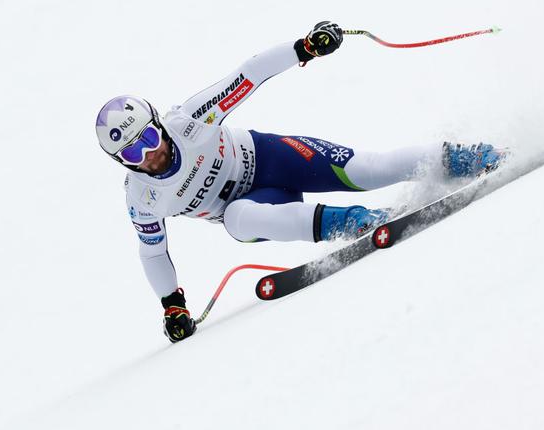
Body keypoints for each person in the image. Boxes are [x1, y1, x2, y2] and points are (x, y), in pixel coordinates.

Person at [95, 21, 505, 343]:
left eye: (149, 138)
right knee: (236, 218)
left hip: (273, 159)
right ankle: (358, 222)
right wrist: (172, 306)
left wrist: (305, 47)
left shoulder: (189, 120)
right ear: (121, 162)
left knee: (367, 170)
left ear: (158, 125)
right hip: (262, 209)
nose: (150, 155)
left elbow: (247, 75)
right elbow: (152, 253)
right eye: (133, 154)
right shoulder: (142, 198)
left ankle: (472, 157)